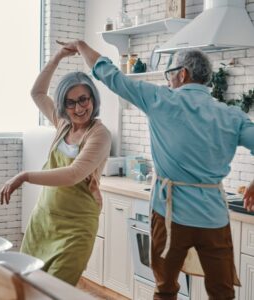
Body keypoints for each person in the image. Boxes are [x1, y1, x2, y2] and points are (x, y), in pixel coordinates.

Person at [58, 40, 254, 299]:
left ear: (182, 74)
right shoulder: (231, 115)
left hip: (169, 215)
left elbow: (111, 75)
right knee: (222, 292)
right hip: (214, 218)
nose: (169, 81)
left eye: (170, 74)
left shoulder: (160, 99)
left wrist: (82, 46)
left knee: (165, 289)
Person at [0, 46, 111, 286]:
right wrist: (58, 57)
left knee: (53, 290)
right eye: (70, 103)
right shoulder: (63, 124)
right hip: (43, 221)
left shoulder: (99, 135)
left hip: (76, 227)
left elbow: (74, 174)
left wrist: (25, 176)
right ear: (63, 106)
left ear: (93, 98)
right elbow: (37, 92)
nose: (79, 108)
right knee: (26, 285)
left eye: (83, 99)